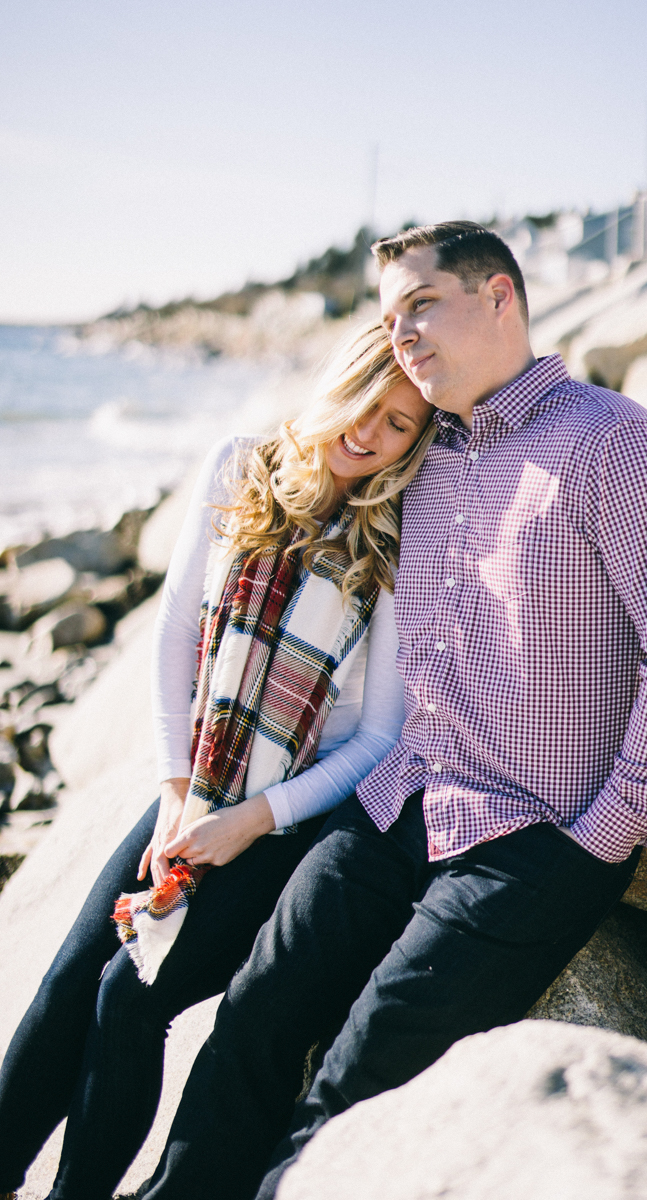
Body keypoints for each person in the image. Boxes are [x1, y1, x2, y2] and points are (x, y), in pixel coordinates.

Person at [138, 221, 647, 1200]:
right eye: (387, 314)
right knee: (256, 1010)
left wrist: (602, 834)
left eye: (421, 303)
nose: (401, 333)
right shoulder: (425, 458)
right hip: (395, 801)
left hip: (535, 832)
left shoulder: (614, 446)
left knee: (365, 1067)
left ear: (499, 295)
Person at [0, 322, 434, 1200]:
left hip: (283, 819)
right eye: (365, 403)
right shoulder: (241, 468)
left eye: (399, 425)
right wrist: (172, 793)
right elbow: (171, 640)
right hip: (194, 785)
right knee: (66, 979)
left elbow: (378, 737)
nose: (370, 433)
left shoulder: (388, 543)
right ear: (335, 383)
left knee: (131, 996)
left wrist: (251, 822)